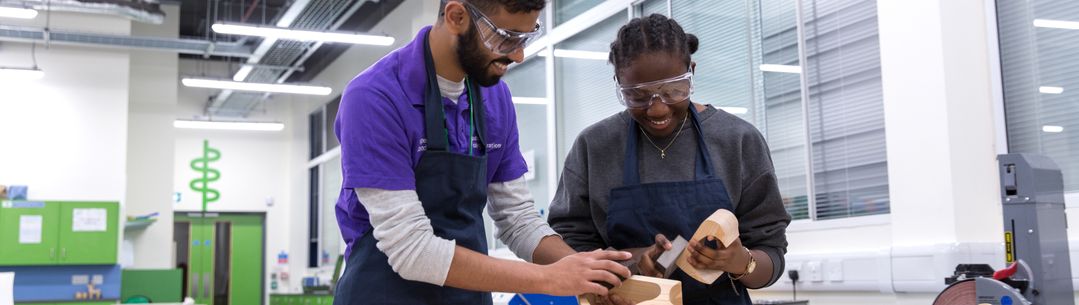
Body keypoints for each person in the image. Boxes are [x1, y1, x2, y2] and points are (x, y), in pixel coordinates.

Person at [331, 1, 632, 304]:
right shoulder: (374, 98)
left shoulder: (494, 96)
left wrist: (586, 273)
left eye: (525, 39)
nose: (518, 55)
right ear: (456, 17)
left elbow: (517, 218)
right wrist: (550, 278)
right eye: (507, 37)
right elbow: (412, 249)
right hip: (383, 294)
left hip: (467, 296)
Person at [548, 14, 792, 305]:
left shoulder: (737, 140)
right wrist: (630, 264)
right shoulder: (595, 146)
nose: (658, 109)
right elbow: (569, 250)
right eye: (637, 96)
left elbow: (771, 255)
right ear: (618, 83)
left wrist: (740, 261)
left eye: (674, 90)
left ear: (691, 71)